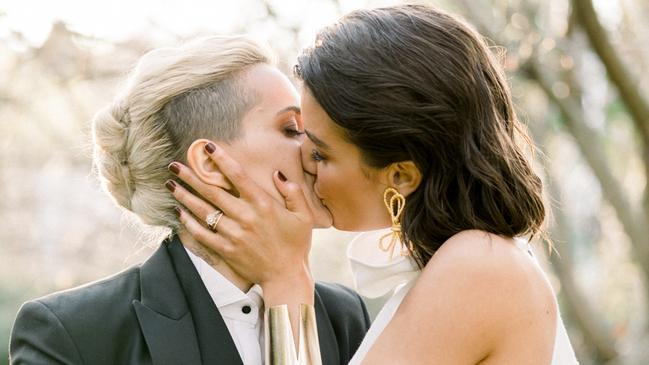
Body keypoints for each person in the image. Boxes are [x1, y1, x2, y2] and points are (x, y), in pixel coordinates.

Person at [170, 4, 580, 364]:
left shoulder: (480, 266)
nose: (306, 166)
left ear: (400, 176)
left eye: (322, 153)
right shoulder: (468, 262)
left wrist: (285, 279)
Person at [9, 35, 370, 365]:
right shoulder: (72, 333)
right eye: (292, 129)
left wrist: (288, 284)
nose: (315, 149)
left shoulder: (344, 316)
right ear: (211, 163)